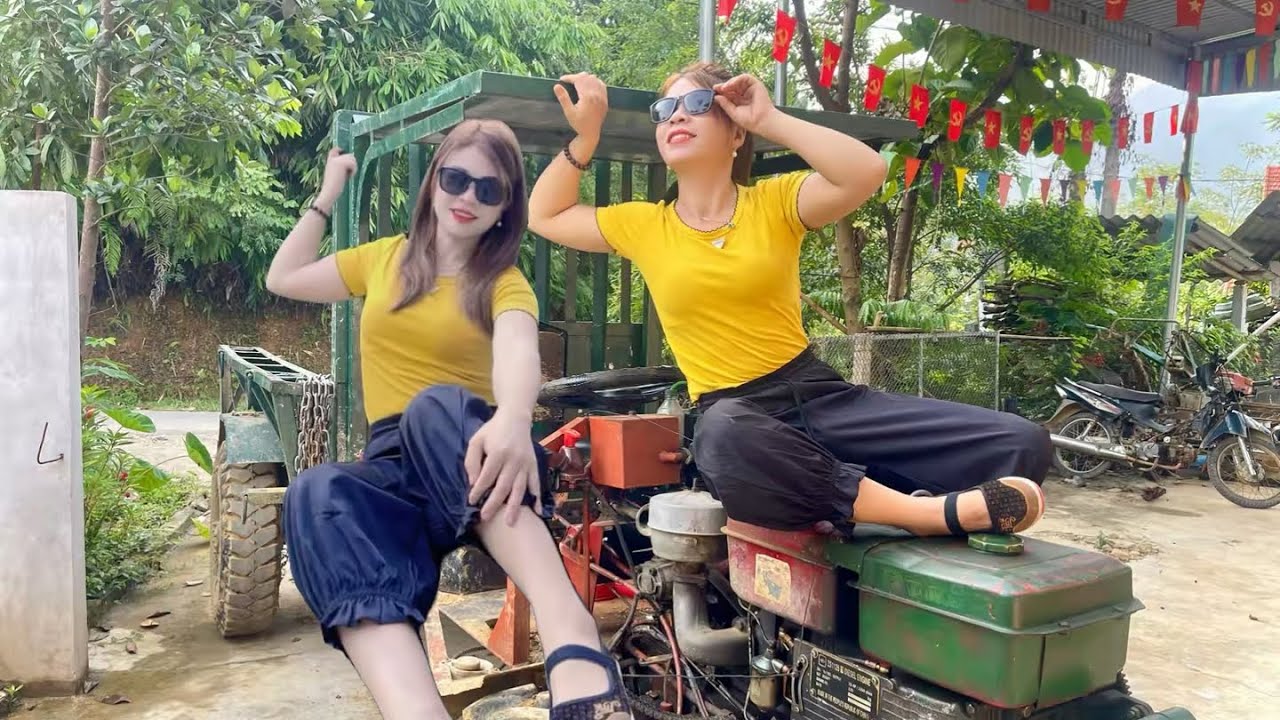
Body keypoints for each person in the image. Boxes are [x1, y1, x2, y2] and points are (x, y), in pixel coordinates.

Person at [527, 63, 1052, 539]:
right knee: (723, 438)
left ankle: (876, 500)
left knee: (1022, 443)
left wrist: (771, 118)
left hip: (818, 395)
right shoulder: (644, 224)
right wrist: (586, 134)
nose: (675, 118)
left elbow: (866, 172)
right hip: (738, 413)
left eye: (697, 105)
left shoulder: (774, 202)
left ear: (735, 131)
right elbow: (545, 216)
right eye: (664, 111)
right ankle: (927, 515)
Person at [266, 119, 630, 720]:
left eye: (489, 190)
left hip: (470, 451)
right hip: (391, 467)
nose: (468, 198)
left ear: (504, 208)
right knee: (317, 492)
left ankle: (574, 641)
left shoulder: (503, 284)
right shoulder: (383, 260)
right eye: (457, 179)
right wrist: (327, 195)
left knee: (434, 408)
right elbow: (283, 278)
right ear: (434, 182)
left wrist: (514, 416)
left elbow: (518, 347)